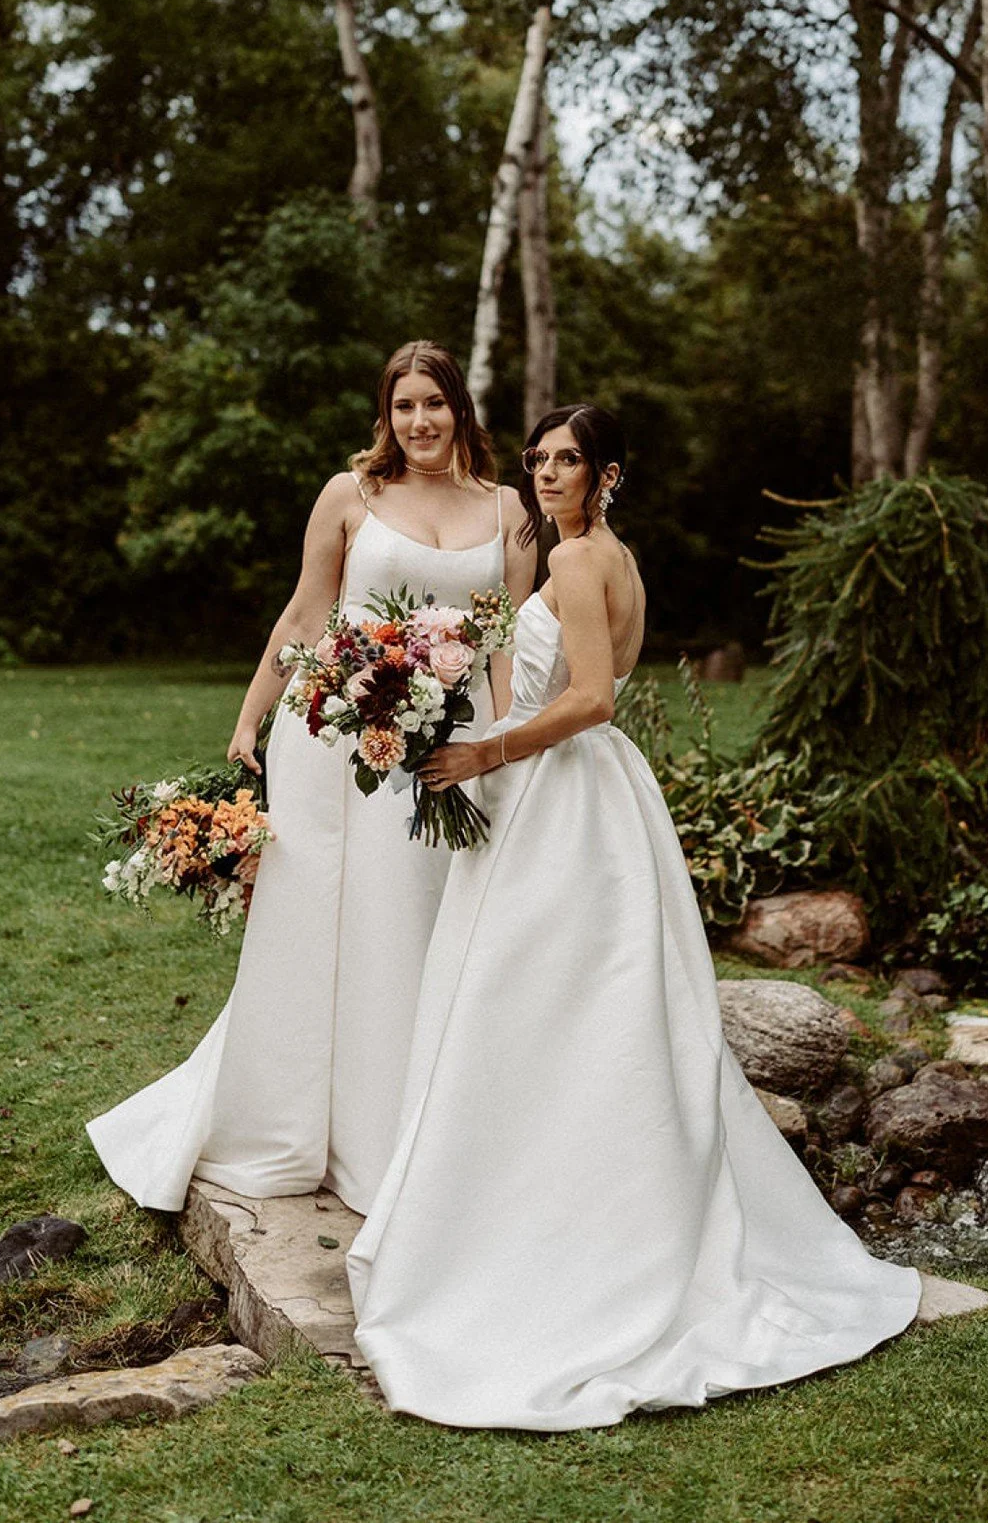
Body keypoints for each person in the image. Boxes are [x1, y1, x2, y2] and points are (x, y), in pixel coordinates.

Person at [347, 403, 921, 1429]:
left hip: (559, 788)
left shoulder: (575, 563)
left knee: (534, 1001)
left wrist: (482, 751)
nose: (548, 473)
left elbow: (595, 697)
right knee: (589, 1004)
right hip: (596, 793)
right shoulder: (613, 555)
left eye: (569, 460)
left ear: (608, 471)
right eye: (539, 459)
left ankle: (536, 1226)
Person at [87, 340, 534, 1216]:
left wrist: (510, 740)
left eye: (434, 405)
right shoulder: (350, 495)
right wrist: (251, 713)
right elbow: (306, 611)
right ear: (386, 413)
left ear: (461, 409)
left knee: (418, 915)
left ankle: (408, 1126)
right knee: (322, 922)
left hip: (450, 743)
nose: (420, 423)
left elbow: (507, 636)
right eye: (404, 407)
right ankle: (291, 1121)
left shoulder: (509, 508)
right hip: (335, 739)